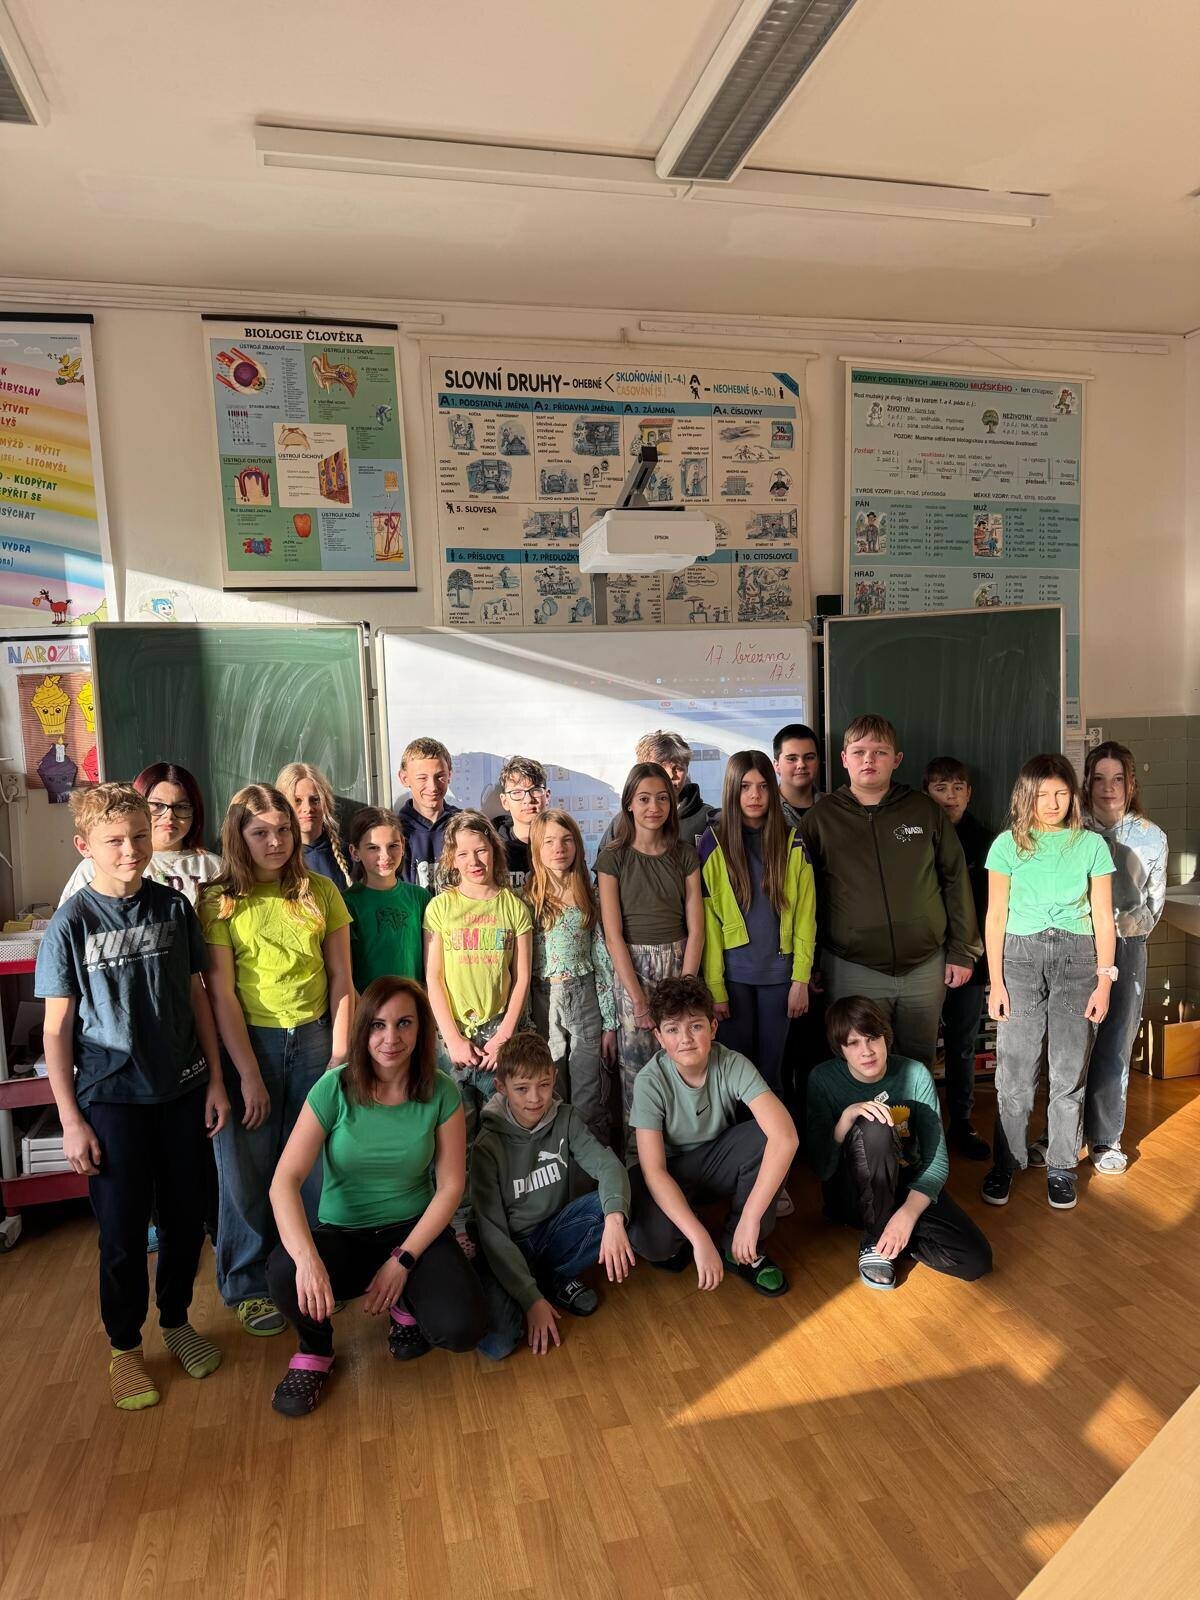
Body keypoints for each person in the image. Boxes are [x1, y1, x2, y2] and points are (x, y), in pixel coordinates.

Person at [36, 784, 229, 1411]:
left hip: (182, 1089)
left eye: (140, 837)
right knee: (121, 1234)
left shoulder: (173, 906)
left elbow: (197, 995)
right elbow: (56, 1029)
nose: (131, 850)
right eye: (115, 841)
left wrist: (215, 1080)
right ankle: (125, 1345)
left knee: (185, 1220)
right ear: (84, 846)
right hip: (111, 1100)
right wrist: (70, 1120)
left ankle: (176, 1320)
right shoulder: (72, 923)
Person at [265, 977, 487, 1415]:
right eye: (378, 1025)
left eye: (404, 1023)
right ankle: (316, 1351)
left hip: (413, 1234)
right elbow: (283, 1181)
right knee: (283, 1269)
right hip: (344, 1234)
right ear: (363, 1029)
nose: (391, 1038)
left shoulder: (442, 1090)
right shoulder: (334, 1088)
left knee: (463, 1328)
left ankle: (405, 1301)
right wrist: (308, 1260)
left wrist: (403, 1260)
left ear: (421, 1029)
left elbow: (450, 1187)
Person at [200, 784, 353, 1335]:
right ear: (238, 836)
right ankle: (246, 1284)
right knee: (245, 1169)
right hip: (252, 1044)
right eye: (260, 832)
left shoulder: (319, 891)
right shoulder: (220, 900)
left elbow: (342, 979)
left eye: (284, 830)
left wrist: (339, 1056)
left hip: (314, 1040)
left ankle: (307, 1273)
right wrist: (246, 1074)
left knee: (312, 1167)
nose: (275, 842)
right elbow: (221, 994)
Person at [800, 714, 981, 1069]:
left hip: (925, 966)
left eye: (880, 752)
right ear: (844, 759)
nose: (869, 760)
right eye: (859, 752)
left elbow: (955, 879)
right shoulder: (820, 819)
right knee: (860, 1065)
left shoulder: (924, 810)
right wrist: (811, 963)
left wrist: (963, 950)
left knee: (918, 1064)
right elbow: (807, 898)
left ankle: (914, 1111)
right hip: (852, 967)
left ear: (896, 760)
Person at [981, 754, 1116, 1211]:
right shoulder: (1006, 845)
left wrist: (1104, 981)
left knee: (1068, 1071)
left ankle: (1061, 1166)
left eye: (1061, 793)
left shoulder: (1091, 845)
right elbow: (995, 916)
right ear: (1027, 796)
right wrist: (996, 983)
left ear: (1073, 795)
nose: (1053, 802)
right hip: (1019, 960)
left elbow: (1103, 918)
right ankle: (1006, 1163)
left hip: (1079, 960)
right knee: (1015, 1073)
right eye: (1042, 794)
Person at [807, 997, 992, 1290]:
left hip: (905, 1182)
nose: (866, 1051)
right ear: (840, 1049)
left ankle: (890, 1236)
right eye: (853, 1043)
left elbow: (936, 1159)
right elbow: (822, 1167)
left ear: (886, 1037)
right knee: (875, 1124)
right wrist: (846, 1118)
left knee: (975, 1260)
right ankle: (875, 1238)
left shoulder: (915, 1073)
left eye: (872, 1038)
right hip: (852, 1189)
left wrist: (907, 1215)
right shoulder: (824, 1079)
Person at [627, 976, 796, 1296]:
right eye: (672, 1029)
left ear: (713, 1027)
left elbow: (786, 1137)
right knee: (656, 1245)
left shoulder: (731, 1063)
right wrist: (700, 1238)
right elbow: (654, 1171)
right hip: (665, 1171)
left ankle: (740, 1250)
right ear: (659, 1037)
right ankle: (687, 1229)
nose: (685, 1039)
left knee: (767, 1138)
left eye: (695, 1026)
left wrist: (751, 1219)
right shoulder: (650, 1081)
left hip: (714, 1160)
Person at [471, 1032, 634, 1358]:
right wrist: (530, 1300)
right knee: (497, 1344)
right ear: (501, 1087)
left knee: (615, 1204)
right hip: (507, 1246)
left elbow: (608, 1167)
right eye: (522, 1088)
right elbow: (492, 1234)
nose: (535, 1098)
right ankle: (534, 1287)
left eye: (543, 1085)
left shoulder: (565, 1118)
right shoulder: (486, 1146)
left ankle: (550, 1279)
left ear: (554, 1078)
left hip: (551, 1233)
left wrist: (615, 1220)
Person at [698, 750, 815, 1095]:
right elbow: (709, 926)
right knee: (736, 1075)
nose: (754, 795)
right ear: (732, 790)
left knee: (772, 1074)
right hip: (733, 980)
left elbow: (806, 917)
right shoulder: (712, 844)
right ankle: (743, 1133)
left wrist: (801, 979)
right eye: (745, 787)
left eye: (763, 786)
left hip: (780, 978)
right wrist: (715, 988)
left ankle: (776, 1133)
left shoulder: (793, 842)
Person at [423, 810, 533, 1158]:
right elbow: (433, 977)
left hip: (498, 1033)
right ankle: (460, 1194)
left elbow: (522, 977)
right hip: (453, 1035)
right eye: (464, 853)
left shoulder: (514, 907)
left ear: (494, 850)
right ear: (452, 859)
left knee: (503, 1127)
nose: (474, 861)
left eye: (481, 850)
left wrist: (503, 1036)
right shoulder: (440, 908)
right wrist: (453, 1039)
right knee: (456, 1131)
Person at [596, 763, 704, 1114]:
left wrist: (685, 987)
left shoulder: (684, 854)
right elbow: (613, 936)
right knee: (638, 1072)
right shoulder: (613, 857)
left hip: (679, 965)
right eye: (644, 799)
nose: (654, 807)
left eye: (662, 798)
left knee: (683, 1064)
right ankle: (639, 1145)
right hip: (632, 971)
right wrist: (639, 1001)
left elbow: (696, 929)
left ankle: (683, 1140)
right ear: (629, 803)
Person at [1081, 742, 1166, 1174]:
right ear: (1087, 782)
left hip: (1127, 945)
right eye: (1099, 778)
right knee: (1071, 1044)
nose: (1108, 788)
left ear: (1131, 783)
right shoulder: (1073, 828)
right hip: (1076, 944)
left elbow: (1154, 903)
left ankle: (1105, 1138)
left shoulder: (1151, 837)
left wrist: (1123, 933)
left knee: (1115, 1042)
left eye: (1117, 779)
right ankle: (1060, 1134)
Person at [525, 808, 618, 1145]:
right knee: (551, 1087)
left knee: (588, 1091)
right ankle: (558, 1161)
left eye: (566, 840)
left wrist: (610, 1022)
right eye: (549, 841)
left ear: (577, 845)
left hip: (584, 998)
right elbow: (519, 968)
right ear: (537, 848)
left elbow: (602, 960)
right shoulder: (528, 901)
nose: (559, 848)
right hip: (543, 1000)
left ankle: (592, 1165)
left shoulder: (590, 895)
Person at [922, 756, 994, 1160]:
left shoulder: (986, 841)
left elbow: (990, 908)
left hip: (971, 960)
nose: (950, 797)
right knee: (917, 1045)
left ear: (969, 793)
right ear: (926, 793)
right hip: (922, 960)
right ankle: (922, 1125)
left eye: (958, 788)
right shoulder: (914, 836)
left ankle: (962, 1121)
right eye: (941, 788)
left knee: (962, 1044)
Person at [59, 761, 217, 906]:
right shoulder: (98, 865)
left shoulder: (213, 867)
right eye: (157, 805)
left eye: (181, 807)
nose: (169, 816)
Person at [343, 806, 430, 989]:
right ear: (355, 852)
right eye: (373, 848)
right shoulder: (347, 903)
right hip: (369, 1004)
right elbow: (343, 974)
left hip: (414, 1002)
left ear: (403, 845)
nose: (385, 856)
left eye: (392, 846)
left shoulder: (420, 898)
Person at [598, 731, 715, 850]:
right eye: (660, 768)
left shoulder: (708, 821)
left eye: (678, 768)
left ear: (687, 770)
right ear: (643, 771)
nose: (670, 775)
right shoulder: (623, 822)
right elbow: (605, 860)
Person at [395, 736, 460, 890]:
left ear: (449, 775)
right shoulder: (395, 830)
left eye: (440, 776)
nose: (433, 787)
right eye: (422, 778)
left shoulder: (464, 824)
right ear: (404, 778)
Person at [276, 762, 353, 889]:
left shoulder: (348, 854)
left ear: (326, 803)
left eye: (315, 800)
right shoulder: (276, 857)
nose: (308, 808)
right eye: (297, 801)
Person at [492, 755, 550, 887]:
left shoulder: (562, 840)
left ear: (547, 796)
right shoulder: (491, 845)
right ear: (505, 801)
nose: (528, 799)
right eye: (517, 792)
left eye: (535, 790)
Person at [773, 723, 822, 828]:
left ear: (818, 761)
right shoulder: (764, 809)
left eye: (809, 757)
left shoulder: (835, 808)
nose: (801, 765)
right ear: (777, 766)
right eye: (792, 759)